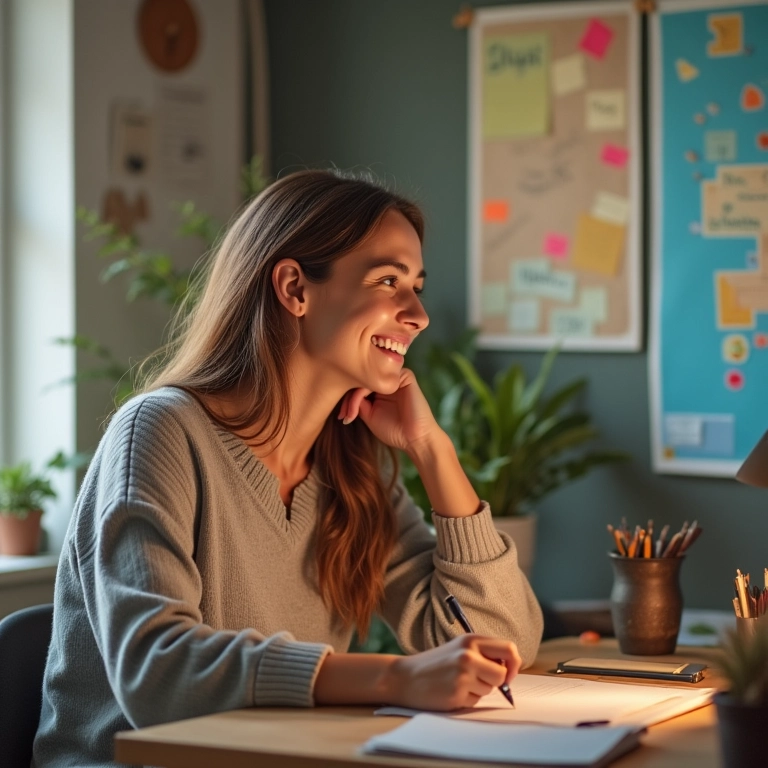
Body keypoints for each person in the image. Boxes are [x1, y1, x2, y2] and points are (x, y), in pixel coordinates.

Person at [33, 169, 543, 767]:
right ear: (295, 288)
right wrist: (393, 677)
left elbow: (503, 641)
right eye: (389, 280)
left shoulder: (351, 468)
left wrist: (432, 449)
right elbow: (157, 672)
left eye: (417, 287)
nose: (418, 314)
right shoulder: (161, 431)